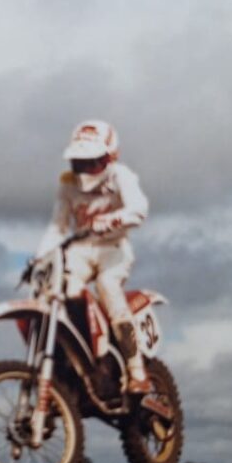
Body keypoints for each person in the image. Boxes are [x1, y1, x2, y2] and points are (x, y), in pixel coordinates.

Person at [34, 120, 152, 395]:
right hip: (81, 249)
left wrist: (110, 220)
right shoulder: (67, 185)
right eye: (79, 162)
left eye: (91, 162)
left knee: (108, 287)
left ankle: (136, 371)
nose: (85, 168)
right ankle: (83, 358)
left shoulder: (121, 176)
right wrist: (40, 258)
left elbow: (139, 209)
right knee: (64, 290)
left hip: (114, 248)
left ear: (108, 158)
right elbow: (58, 227)